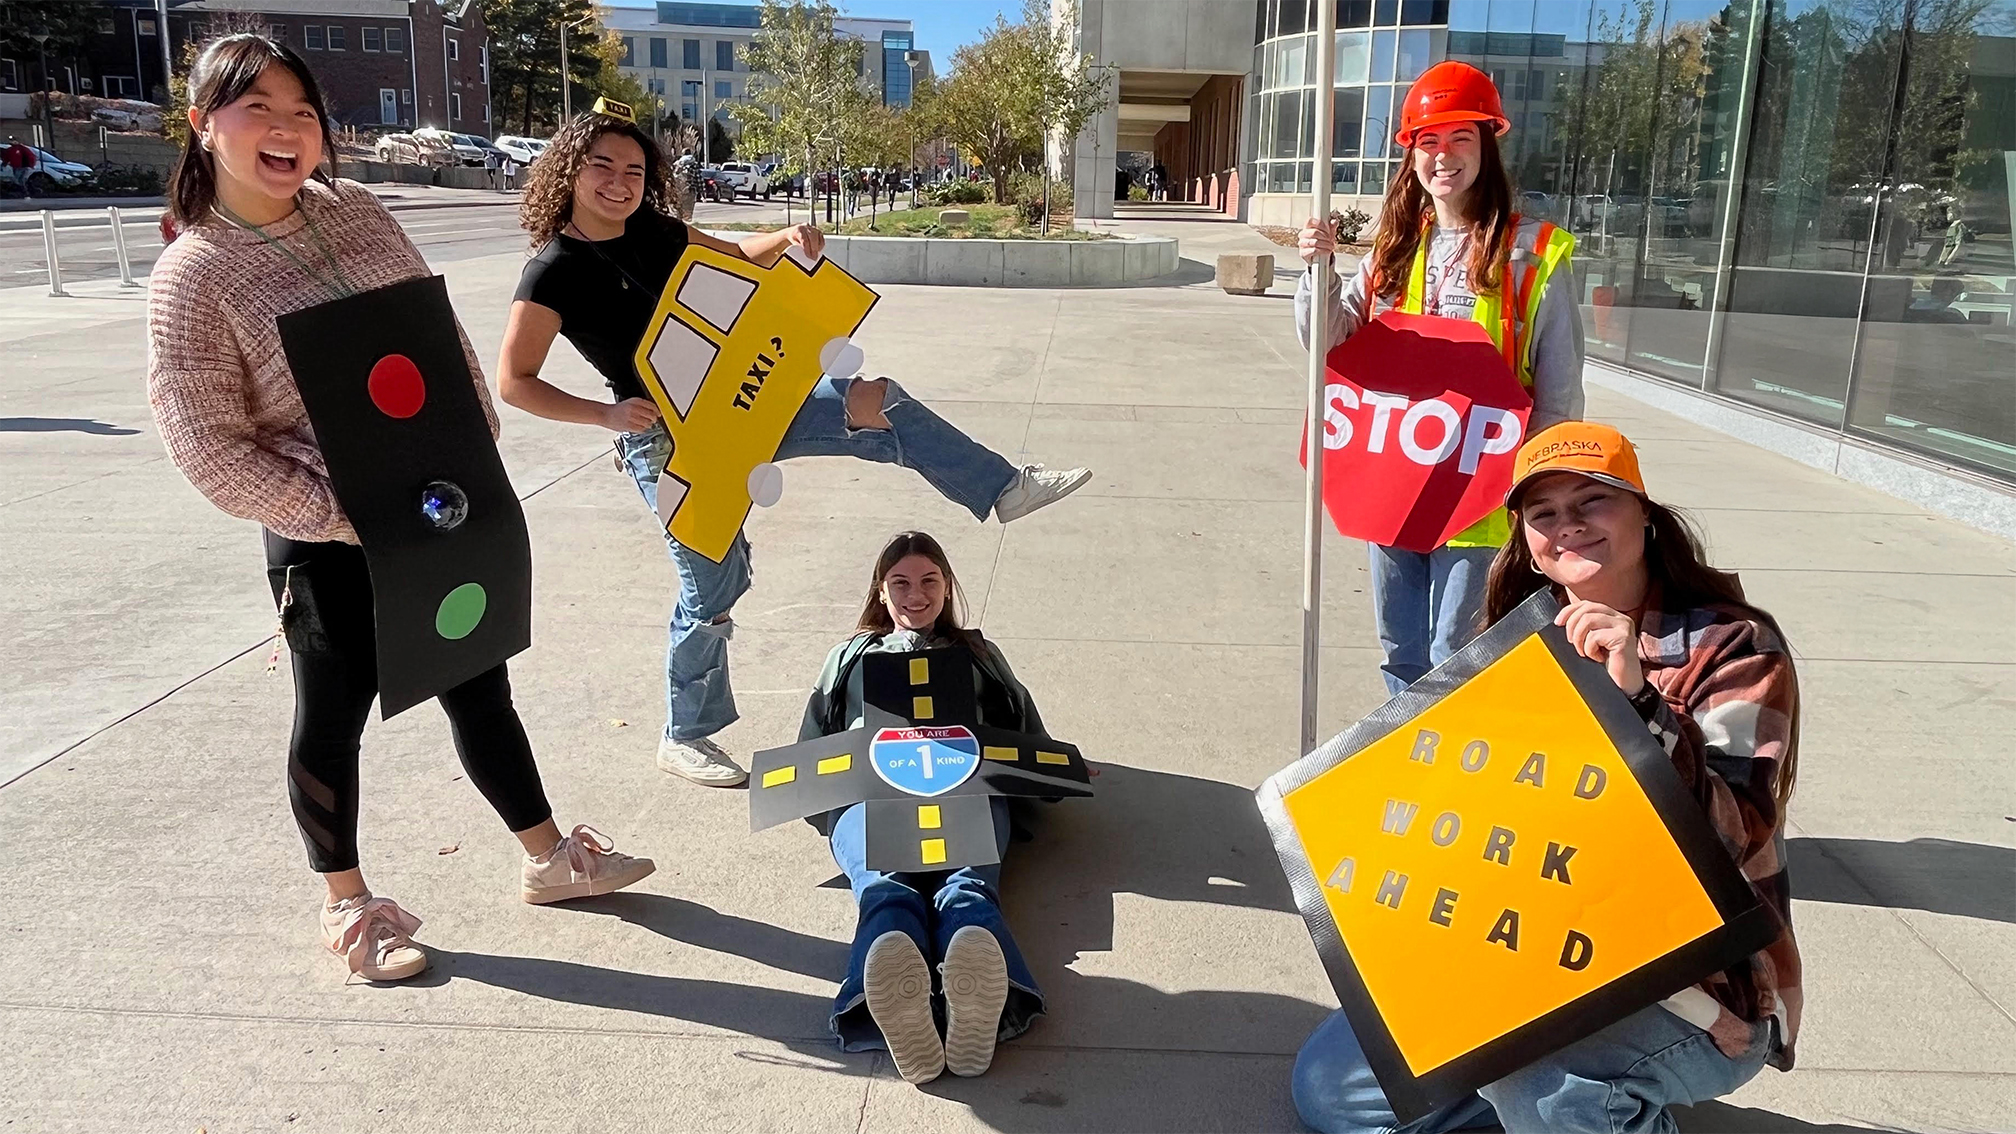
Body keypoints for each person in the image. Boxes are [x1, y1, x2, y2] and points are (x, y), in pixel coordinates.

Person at [145, 34, 654, 984]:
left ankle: (551, 858)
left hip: (438, 502)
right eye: (258, 108)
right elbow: (209, 446)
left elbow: (436, 328)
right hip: (325, 535)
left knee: (477, 678)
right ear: (204, 126)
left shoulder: (356, 209)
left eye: (302, 110)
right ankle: (350, 906)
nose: (287, 130)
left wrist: (469, 450)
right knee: (330, 718)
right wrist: (346, 516)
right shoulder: (195, 274)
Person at [496, 109, 1091, 788]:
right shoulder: (551, 272)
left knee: (876, 401)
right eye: (602, 166)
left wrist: (782, 236)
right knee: (714, 588)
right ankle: (684, 733)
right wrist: (605, 414)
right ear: (568, 171)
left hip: (740, 400)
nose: (619, 182)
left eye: (633, 170)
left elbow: (732, 256)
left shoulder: (653, 232)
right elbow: (515, 382)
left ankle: (1002, 487)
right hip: (666, 439)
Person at [1292, 421, 1802, 1134]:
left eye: (1593, 501)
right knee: (1332, 1093)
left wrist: (1638, 708)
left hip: (1694, 979)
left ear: (1645, 517)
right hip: (1527, 949)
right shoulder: (1513, 646)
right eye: (1544, 513)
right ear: (1525, 539)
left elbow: (1735, 835)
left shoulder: (1733, 647)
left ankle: (1574, 1103)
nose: (1569, 526)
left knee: (1540, 1081)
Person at [1297, 61, 1584, 695]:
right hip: (1393, 483)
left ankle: (1448, 768)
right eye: (1429, 141)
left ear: (1487, 144)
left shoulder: (1532, 254)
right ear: (1412, 154)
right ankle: (1407, 762)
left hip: (1480, 500)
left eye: (1460, 138)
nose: (1443, 156)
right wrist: (1316, 270)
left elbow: (1560, 397)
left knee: (1458, 653)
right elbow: (1330, 340)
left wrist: (1536, 495)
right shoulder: (1395, 246)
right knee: (1400, 651)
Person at [798, 531, 1051, 1084]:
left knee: (967, 882)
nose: (916, 595)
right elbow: (813, 739)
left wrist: (1058, 765)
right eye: (901, 583)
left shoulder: (978, 654)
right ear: (881, 592)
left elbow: (1020, 720)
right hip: (872, 791)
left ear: (947, 586)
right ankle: (897, 989)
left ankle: (973, 977)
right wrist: (824, 809)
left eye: (929, 581)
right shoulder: (849, 656)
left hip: (965, 786)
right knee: (884, 882)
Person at [671, 146, 698, 220]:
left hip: (679, 189)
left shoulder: (678, 163)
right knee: (689, 208)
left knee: (678, 207)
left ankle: (679, 220)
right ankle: (687, 222)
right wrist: (703, 193)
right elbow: (698, 178)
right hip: (691, 189)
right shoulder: (694, 164)